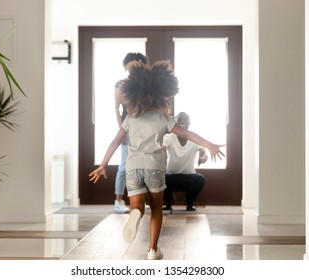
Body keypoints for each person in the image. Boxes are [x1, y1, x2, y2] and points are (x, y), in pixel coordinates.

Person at [89, 60, 225, 260]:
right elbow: (187, 134)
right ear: (160, 96)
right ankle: (153, 250)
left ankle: (135, 213)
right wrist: (209, 145)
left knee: (137, 206)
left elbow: (115, 142)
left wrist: (102, 164)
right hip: (154, 167)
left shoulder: (131, 118)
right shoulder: (163, 119)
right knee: (155, 209)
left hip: (133, 168)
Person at [113, 52, 148, 213]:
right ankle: (118, 201)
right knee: (124, 165)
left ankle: (140, 199)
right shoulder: (121, 84)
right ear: (126, 66)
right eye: (130, 64)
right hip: (128, 128)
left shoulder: (146, 83)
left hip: (145, 128)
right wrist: (122, 131)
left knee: (143, 165)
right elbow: (117, 109)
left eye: (138, 63)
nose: (133, 67)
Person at [162, 112, 208, 212]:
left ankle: (189, 202)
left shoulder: (194, 138)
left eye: (185, 119)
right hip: (171, 176)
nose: (182, 121)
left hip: (189, 177)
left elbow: (203, 152)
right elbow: (163, 148)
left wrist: (203, 158)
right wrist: (163, 156)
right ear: (175, 123)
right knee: (157, 177)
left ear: (189, 123)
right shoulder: (169, 137)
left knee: (200, 179)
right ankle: (169, 201)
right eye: (179, 120)